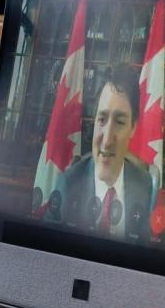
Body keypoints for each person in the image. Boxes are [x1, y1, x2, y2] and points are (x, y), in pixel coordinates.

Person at [59, 64, 152, 239]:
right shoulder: (68, 184)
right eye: (102, 119)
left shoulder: (145, 185)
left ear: (133, 127)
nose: (107, 140)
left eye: (120, 122)